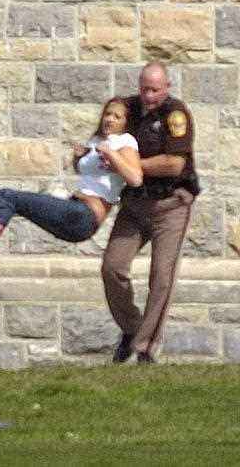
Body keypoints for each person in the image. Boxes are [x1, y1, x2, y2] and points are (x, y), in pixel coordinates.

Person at [0, 97, 143, 259]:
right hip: (73, 210)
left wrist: (113, 155)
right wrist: (78, 158)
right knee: (17, 203)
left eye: (117, 116)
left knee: (6, 197)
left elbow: (135, 178)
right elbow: (88, 175)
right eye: (107, 114)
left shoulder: (125, 141)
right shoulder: (97, 140)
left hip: (85, 215)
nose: (109, 119)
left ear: (126, 122)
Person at [101, 62, 200, 365]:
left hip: (170, 205)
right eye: (145, 88)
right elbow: (102, 137)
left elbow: (175, 164)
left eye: (155, 89)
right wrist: (84, 155)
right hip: (134, 205)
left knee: (161, 277)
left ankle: (145, 348)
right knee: (112, 267)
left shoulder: (175, 113)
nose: (148, 95)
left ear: (167, 86)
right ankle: (132, 329)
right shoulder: (127, 108)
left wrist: (127, 164)